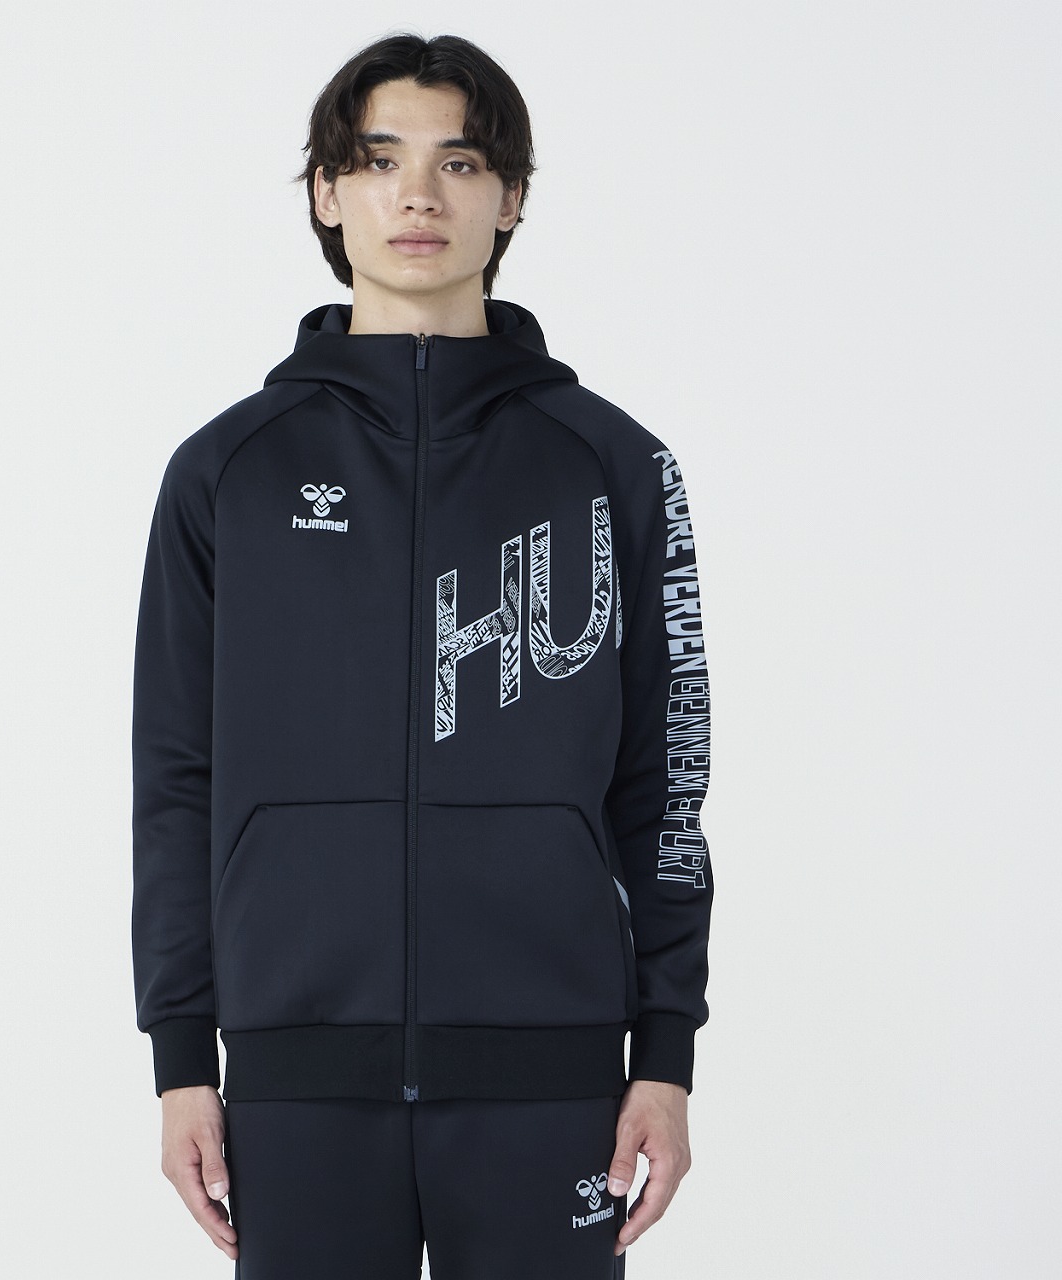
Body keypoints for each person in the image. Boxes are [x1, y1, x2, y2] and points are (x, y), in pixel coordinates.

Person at [131, 31, 714, 1280]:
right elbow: (175, 779)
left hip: (552, 1074)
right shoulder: (227, 473)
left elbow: (666, 777)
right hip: (293, 1072)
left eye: (458, 162)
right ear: (324, 192)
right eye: (377, 158)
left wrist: (663, 1052)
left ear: (509, 198)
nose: (417, 195)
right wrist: (181, 1055)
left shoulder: (611, 463)